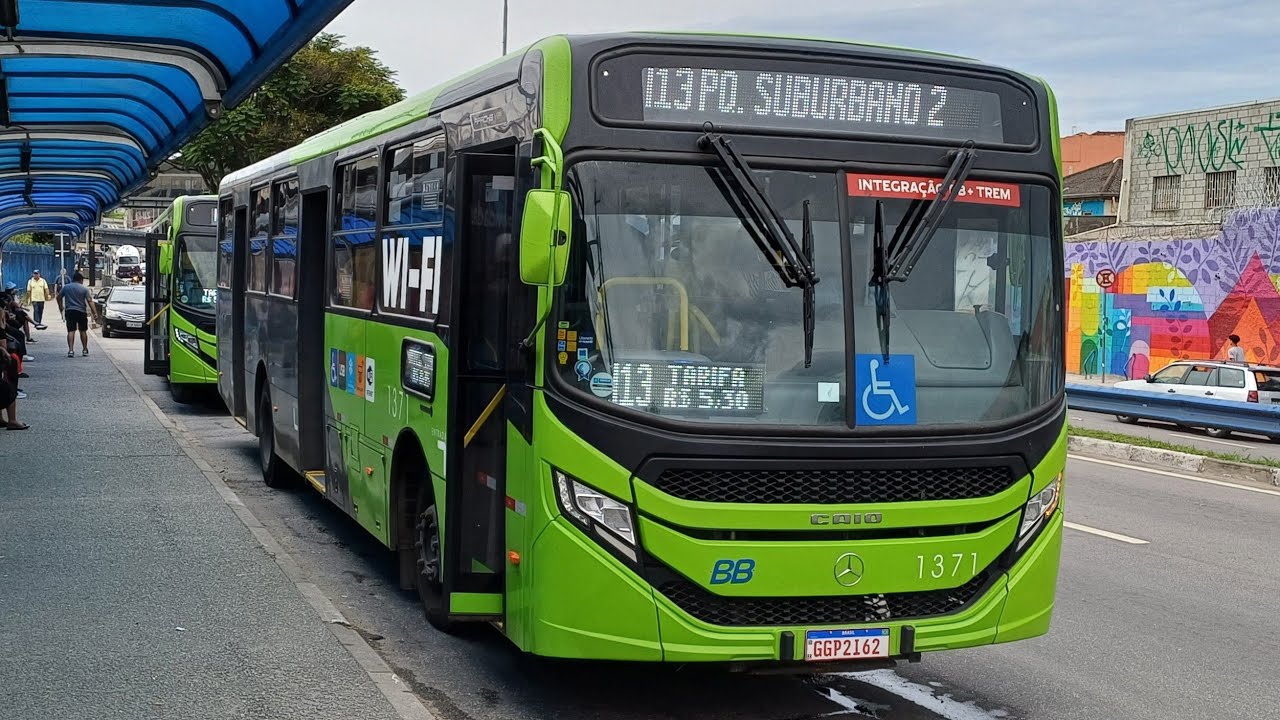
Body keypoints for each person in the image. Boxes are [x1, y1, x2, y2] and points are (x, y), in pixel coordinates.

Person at [58, 271, 96, 357]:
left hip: (70, 311)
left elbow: (59, 297)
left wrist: (61, 307)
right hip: (81, 311)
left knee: (71, 331)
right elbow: (90, 301)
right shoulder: (84, 289)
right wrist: (95, 312)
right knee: (83, 331)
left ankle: (71, 350)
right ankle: (85, 349)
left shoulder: (66, 288)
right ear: (81, 280)